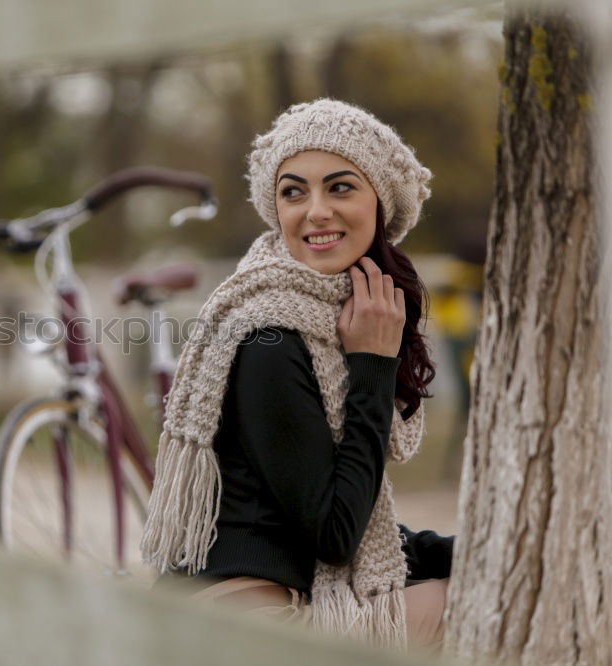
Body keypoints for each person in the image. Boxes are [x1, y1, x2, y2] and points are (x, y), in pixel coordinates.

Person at [139, 98, 454, 652]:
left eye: (339, 187)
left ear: (380, 204)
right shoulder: (268, 338)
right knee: (488, 604)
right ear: (275, 208)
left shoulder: (332, 323)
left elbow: (364, 528)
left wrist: (478, 548)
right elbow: (336, 538)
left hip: (276, 600)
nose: (315, 212)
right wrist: (373, 367)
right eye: (293, 191)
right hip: (245, 626)